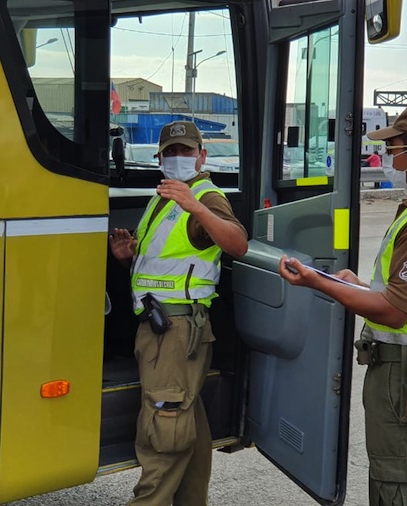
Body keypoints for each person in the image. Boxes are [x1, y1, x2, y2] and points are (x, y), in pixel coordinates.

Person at [278, 103, 407, 506]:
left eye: (394, 148)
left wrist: (318, 282)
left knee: (402, 485)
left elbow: (394, 311)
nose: (387, 155)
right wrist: (357, 286)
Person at [109, 121, 248, 505]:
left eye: (186, 151)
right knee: (186, 424)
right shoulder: (164, 197)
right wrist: (128, 259)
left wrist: (195, 206)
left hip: (175, 330)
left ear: (202, 156)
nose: (177, 157)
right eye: (170, 152)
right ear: (159, 158)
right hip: (162, 325)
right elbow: (167, 266)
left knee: (163, 437)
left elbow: (237, 244)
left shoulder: (204, 196)